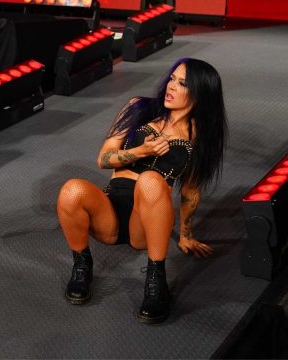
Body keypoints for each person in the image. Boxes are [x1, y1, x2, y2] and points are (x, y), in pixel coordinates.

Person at [56, 58, 227, 324]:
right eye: (172, 78)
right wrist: (141, 151)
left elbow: (190, 190)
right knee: (71, 189)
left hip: (146, 225)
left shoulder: (198, 136)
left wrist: (186, 235)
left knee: (150, 179)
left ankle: (156, 280)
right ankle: (82, 265)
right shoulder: (138, 107)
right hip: (109, 212)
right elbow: (103, 159)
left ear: (199, 93)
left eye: (182, 83)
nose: (171, 86)